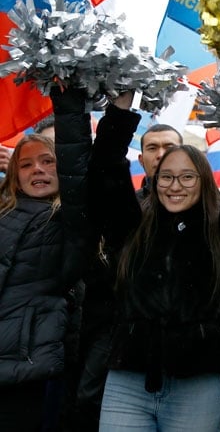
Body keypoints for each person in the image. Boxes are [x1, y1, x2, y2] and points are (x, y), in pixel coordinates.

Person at [88, 93, 220, 431]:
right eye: (166, 177)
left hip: (198, 383)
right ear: (154, 182)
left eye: (187, 177)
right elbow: (105, 170)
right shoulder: (132, 228)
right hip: (128, 380)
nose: (175, 186)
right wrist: (119, 110)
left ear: (203, 181)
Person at [0, 87, 92, 432]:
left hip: (29, 370)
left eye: (47, 161)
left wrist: (67, 101)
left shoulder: (66, 218)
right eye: (26, 164)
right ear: (15, 175)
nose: (37, 170)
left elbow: (79, 175)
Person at [135, 124, 183, 202]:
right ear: (141, 160)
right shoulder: (128, 206)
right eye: (152, 148)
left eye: (169, 148)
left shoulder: (204, 201)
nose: (161, 155)